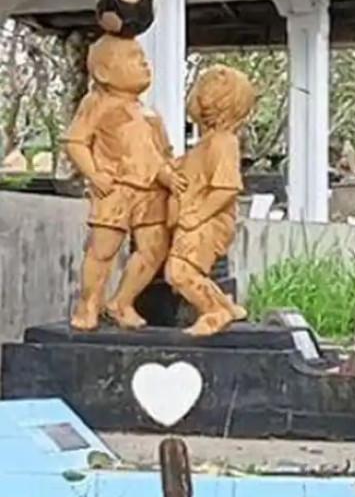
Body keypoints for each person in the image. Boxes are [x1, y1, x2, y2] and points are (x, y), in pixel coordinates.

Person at [63, 35, 185, 331]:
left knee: (153, 249)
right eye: (133, 57)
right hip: (114, 188)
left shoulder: (150, 115)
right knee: (102, 250)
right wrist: (93, 174)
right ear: (103, 73)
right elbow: (75, 142)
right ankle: (88, 304)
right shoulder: (97, 103)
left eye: (143, 56)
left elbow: (163, 154)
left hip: (151, 192)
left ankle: (121, 301)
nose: (144, 62)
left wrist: (173, 175)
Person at [164, 65, 256, 336]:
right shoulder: (206, 142)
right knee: (185, 272)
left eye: (214, 101)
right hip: (191, 217)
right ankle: (226, 305)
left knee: (179, 273)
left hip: (206, 219)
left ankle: (214, 312)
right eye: (203, 97)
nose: (205, 105)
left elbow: (227, 188)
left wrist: (198, 216)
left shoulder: (224, 143)